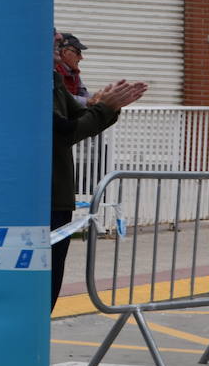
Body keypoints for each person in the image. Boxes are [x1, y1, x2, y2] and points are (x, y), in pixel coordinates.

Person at [50, 30, 146, 310]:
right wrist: (102, 108)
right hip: (36, 198)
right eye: (55, 40)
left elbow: (78, 112)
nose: (59, 44)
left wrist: (106, 105)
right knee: (35, 288)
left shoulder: (53, 79)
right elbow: (63, 130)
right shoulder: (27, 78)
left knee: (50, 284)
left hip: (56, 197)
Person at [55, 33, 89, 106]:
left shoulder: (72, 72)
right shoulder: (54, 72)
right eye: (78, 53)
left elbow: (83, 92)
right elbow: (64, 98)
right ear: (64, 52)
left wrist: (101, 97)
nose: (81, 58)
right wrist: (88, 101)